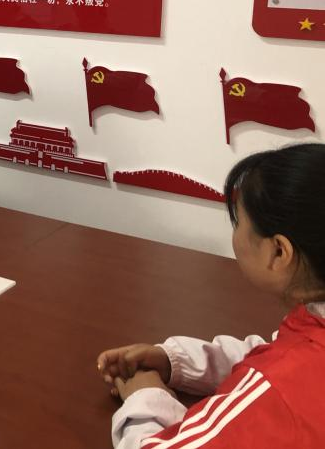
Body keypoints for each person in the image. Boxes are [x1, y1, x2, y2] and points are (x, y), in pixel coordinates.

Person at [97, 143, 325, 449]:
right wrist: (177, 361)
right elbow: (274, 350)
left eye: (238, 222)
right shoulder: (310, 330)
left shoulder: (283, 385)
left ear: (278, 252)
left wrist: (146, 394)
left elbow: (277, 374)